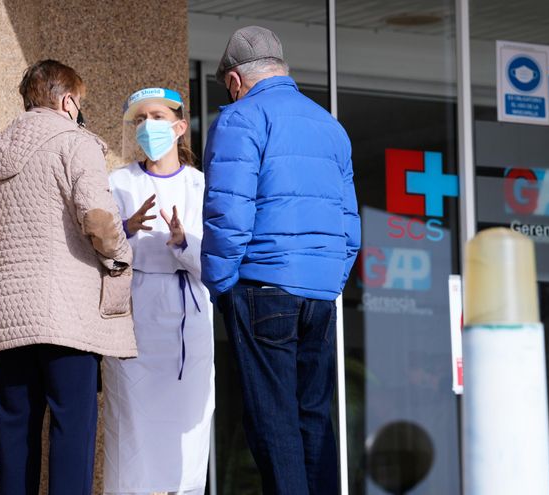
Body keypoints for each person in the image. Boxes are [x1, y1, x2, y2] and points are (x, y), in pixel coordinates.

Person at [201, 26, 361, 495]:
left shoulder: (240, 119)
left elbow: (228, 213)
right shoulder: (330, 125)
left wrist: (221, 285)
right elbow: (349, 223)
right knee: (313, 416)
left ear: (234, 79)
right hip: (319, 294)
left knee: (273, 422)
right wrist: (329, 278)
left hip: (262, 287)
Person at [0, 59, 136, 495]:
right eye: (79, 102)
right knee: (72, 430)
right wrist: (121, 255)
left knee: (15, 435)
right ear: (67, 101)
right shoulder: (75, 143)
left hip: (9, 319)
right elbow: (99, 222)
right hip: (68, 319)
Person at [101, 87, 215, 495]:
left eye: (157, 117)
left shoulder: (203, 186)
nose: (147, 126)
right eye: (139, 119)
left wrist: (184, 241)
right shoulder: (118, 182)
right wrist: (126, 230)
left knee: (187, 434)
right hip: (136, 319)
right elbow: (100, 254)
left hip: (188, 322)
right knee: (131, 430)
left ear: (180, 127)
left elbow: (216, 266)